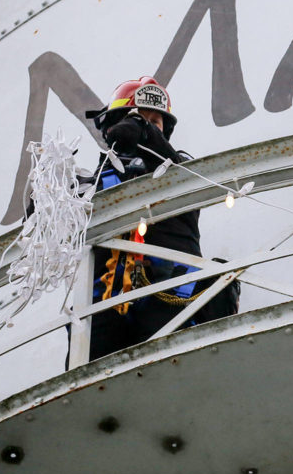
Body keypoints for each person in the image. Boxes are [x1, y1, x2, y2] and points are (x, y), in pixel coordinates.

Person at [80, 77, 239, 360]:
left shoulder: (181, 171)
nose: (149, 125)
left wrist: (143, 132)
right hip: (103, 311)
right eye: (140, 118)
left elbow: (184, 178)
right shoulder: (89, 185)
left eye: (156, 122)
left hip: (172, 298)